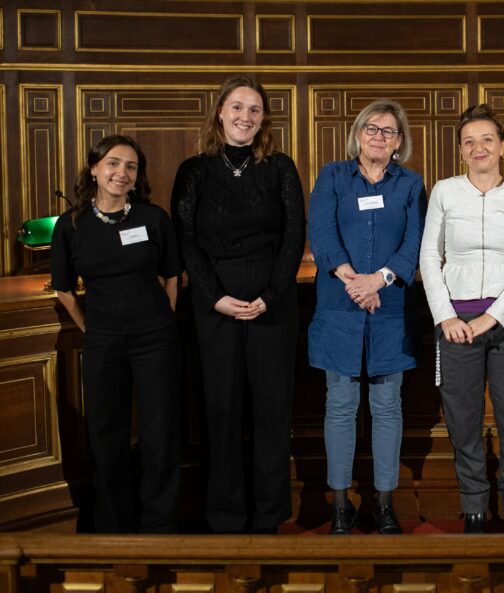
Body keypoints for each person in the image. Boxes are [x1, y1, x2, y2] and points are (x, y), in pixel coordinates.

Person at [172, 75, 305, 534]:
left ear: (263, 118)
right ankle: (225, 515)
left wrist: (271, 295)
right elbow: (185, 240)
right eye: (237, 107)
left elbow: (294, 235)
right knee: (221, 409)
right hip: (215, 297)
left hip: (273, 296)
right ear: (220, 112)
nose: (245, 116)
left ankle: (269, 514)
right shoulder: (195, 170)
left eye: (254, 109)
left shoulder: (280, 167)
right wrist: (214, 297)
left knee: (272, 408)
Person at [420, 104, 504, 534]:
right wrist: (445, 316)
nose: (479, 148)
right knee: (462, 418)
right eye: (469, 141)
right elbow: (429, 257)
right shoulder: (444, 192)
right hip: (456, 321)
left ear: (502, 146)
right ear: (460, 150)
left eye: (487, 139)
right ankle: (473, 507)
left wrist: (493, 315)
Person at [51, 135, 181, 533]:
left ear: (137, 176)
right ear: (94, 169)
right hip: (103, 341)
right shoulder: (71, 225)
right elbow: (64, 289)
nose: (121, 173)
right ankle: (113, 528)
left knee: (160, 434)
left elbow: (172, 275)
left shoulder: (152, 218)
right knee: (107, 436)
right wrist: (90, 328)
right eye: (113, 163)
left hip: (155, 339)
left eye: (130, 167)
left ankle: (159, 526)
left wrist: (165, 317)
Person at [307, 98, 425, 536]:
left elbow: (414, 242)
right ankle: (341, 505)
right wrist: (355, 281)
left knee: (387, 406)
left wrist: (379, 280)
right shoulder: (333, 176)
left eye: (388, 131)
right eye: (372, 129)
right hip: (339, 307)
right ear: (358, 134)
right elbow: (322, 234)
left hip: (389, 308)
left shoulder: (410, 184)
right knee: (340, 404)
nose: (379, 137)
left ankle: (384, 504)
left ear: (399, 142)